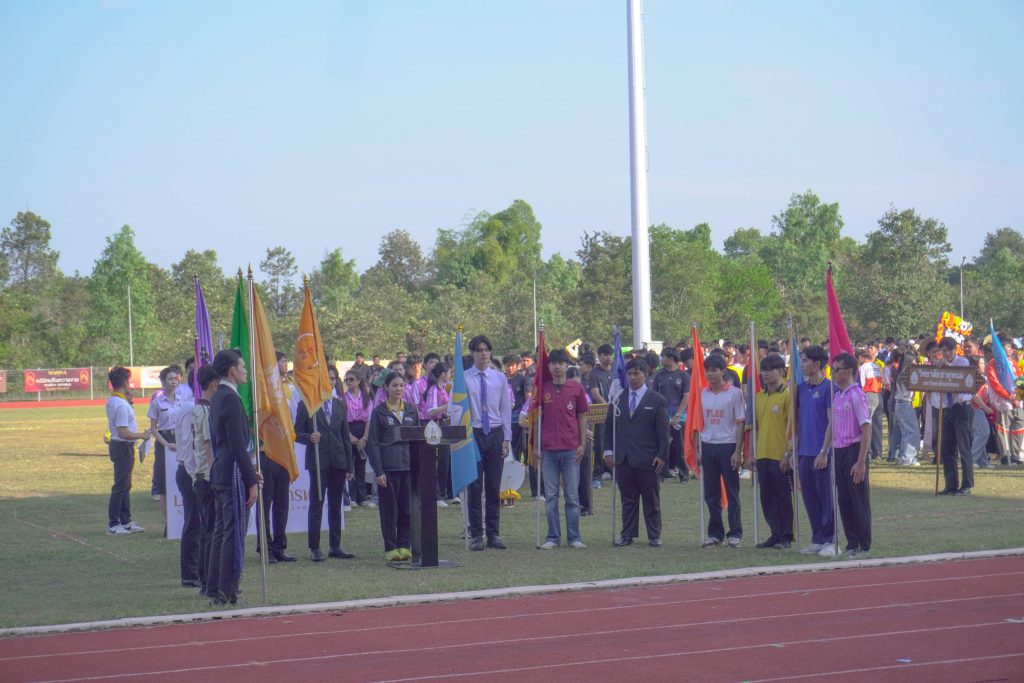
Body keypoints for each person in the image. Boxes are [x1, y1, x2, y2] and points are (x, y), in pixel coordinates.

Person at [206, 349, 262, 606]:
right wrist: (251, 480)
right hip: (232, 473)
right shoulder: (230, 398)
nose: (245, 371)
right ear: (232, 371)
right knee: (233, 532)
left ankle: (214, 587)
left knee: (221, 530)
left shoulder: (218, 396)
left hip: (221, 469)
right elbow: (238, 445)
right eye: (242, 367)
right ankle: (227, 590)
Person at [603, 358, 669, 547]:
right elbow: (609, 427)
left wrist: (662, 455)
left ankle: (654, 535)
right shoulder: (617, 399)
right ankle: (627, 534)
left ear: (645, 375)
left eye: (636, 373)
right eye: (629, 373)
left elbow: (663, 432)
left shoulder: (657, 400)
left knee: (651, 499)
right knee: (628, 499)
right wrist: (608, 451)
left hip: (648, 459)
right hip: (623, 457)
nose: (632, 377)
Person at [295, 363, 355, 561]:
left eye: (332, 379)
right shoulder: (307, 404)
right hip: (318, 460)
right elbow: (297, 432)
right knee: (317, 504)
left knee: (336, 505)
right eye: (325, 378)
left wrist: (349, 464)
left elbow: (345, 436)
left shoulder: (339, 404)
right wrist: (308, 437)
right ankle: (314, 547)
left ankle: (335, 546)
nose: (329, 382)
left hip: (338, 461)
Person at [535, 350, 589, 550]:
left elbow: (582, 416)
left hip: (571, 449)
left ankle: (574, 537)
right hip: (548, 450)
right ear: (548, 366)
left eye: (561, 363)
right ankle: (553, 537)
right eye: (553, 363)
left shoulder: (577, 389)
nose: (557, 367)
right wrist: (536, 446)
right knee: (550, 496)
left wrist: (582, 444)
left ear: (567, 366)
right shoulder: (543, 389)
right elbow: (536, 418)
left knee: (572, 496)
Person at [464, 335, 513, 551]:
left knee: (493, 486)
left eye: (486, 350)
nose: (483, 354)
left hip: (495, 433)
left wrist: (506, 438)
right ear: (472, 353)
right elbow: (457, 408)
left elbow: (505, 409)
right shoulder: (464, 378)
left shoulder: (499, 378)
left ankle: (493, 533)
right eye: (479, 350)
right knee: (474, 486)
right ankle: (476, 534)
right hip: (473, 434)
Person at [366, 370, 419, 562]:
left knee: (406, 508)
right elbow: (373, 443)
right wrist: (379, 471)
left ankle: (405, 545)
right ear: (386, 388)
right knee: (390, 510)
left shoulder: (411, 410)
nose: (399, 389)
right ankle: (390, 547)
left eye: (402, 385)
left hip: (408, 468)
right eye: (394, 385)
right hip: (388, 469)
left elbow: (418, 440)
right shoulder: (379, 412)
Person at [696, 354, 746, 548]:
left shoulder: (734, 393)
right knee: (711, 493)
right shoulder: (702, 394)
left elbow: (740, 423)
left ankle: (735, 533)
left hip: (728, 445)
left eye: (714, 370)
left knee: (732, 492)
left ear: (723, 371)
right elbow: (698, 424)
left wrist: (737, 451)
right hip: (708, 445)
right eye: (707, 370)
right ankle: (715, 533)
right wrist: (698, 448)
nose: (710, 374)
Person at [794, 346, 836, 556]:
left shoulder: (829, 388)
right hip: (804, 451)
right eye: (801, 360)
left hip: (821, 452)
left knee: (825, 497)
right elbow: (796, 421)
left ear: (817, 364)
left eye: (805, 361)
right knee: (809, 497)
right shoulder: (800, 389)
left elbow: (832, 422)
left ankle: (831, 539)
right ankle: (817, 538)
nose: (801, 365)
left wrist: (824, 450)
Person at [830, 352, 872, 558]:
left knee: (858, 498)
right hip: (839, 450)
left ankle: (864, 543)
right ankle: (851, 542)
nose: (833, 373)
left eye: (836, 369)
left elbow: (866, 428)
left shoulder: (856, 395)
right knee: (844, 498)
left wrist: (861, 461)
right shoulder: (838, 396)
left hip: (854, 450)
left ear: (848, 371)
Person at [258, 351, 297, 563]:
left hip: (282, 452)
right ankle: (265, 547)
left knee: (282, 504)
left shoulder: (288, 388)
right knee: (265, 504)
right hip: (265, 453)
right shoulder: (260, 390)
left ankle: (279, 546)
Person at [752, 354, 794, 550]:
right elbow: (755, 427)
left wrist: (788, 453)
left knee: (783, 497)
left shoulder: (787, 396)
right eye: (764, 370)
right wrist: (752, 453)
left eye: (770, 370)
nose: (766, 374)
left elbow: (792, 428)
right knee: (767, 497)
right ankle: (775, 533)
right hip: (762, 453)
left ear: (781, 371)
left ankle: (786, 536)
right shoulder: (759, 397)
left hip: (780, 455)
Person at [105, 367, 150, 535]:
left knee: (125, 485)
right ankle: (114, 523)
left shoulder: (114, 401)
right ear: (125, 382)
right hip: (123, 446)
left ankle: (125, 520)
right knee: (120, 485)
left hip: (120, 446)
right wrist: (141, 435)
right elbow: (123, 432)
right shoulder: (121, 405)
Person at [191, 365, 218, 596]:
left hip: (201, 475)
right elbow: (209, 447)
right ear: (213, 384)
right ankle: (208, 581)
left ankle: (205, 578)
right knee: (211, 531)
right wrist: (215, 475)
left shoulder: (198, 409)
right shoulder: (205, 412)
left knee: (207, 530)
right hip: (207, 476)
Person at [147, 366, 187, 521]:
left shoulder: (182, 401)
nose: (174, 382)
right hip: (164, 442)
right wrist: (166, 444)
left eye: (175, 379)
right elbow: (153, 429)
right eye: (170, 379)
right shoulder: (157, 403)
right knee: (164, 482)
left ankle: (182, 518)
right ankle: (168, 521)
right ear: (163, 382)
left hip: (181, 440)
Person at [937, 337, 974, 495]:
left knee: (964, 447)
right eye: (943, 351)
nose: (945, 354)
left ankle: (966, 486)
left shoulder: (962, 362)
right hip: (949, 408)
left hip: (962, 408)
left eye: (947, 350)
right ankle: (951, 485)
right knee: (947, 447)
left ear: (954, 350)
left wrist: (946, 367)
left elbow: (959, 378)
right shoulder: (941, 364)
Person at [172, 377, 198, 586]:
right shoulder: (190, 409)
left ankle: (195, 571)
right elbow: (189, 446)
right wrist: (196, 475)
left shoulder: (191, 407)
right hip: (190, 472)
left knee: (198, 522)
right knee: (194, 522)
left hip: (191, 471)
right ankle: (190, 574)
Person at [652, 348, 691, 482]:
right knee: (662, 445)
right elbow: (654, 395)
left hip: (679, 417)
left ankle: (683, 474)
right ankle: (662, 473)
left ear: (671, 358)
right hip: (662, 416)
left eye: (663, 357)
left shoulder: (683, 376)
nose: (661, 360)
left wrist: (678, 415)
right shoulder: (659, 375)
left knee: (680, 446)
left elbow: (686, 397)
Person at [419, 362, 453, 505]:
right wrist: (447, 406)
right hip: (432, 426)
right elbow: (431, 411)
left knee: (445, 461)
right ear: (443, 374)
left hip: (442, 425)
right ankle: (436, 495)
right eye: (449, 372)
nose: (450, 375)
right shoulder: (433, 390)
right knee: (433, 462)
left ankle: (443, 493)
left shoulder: (444, 388)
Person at [343, 369, 375, 508]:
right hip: (348, 430)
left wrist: (365, 438)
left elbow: (369, 419)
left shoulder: (366, 397)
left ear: (358, 380)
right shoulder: (343, 398)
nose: (349, 382)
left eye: (351, 379)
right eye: (346, 380)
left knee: (361, 465)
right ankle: (352, 497)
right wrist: (350, 436)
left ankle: (362, 497)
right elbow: (342, 419)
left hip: (363, 430)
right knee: (349, 465)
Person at [857, 349, 884, 460]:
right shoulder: (875, 366)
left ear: (862, 358)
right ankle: (877, 452)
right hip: (878, 395)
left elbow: (861, 384)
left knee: (866, 425)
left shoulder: (864, 367)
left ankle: (867, 452)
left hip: (868, 395)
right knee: (877, 426)